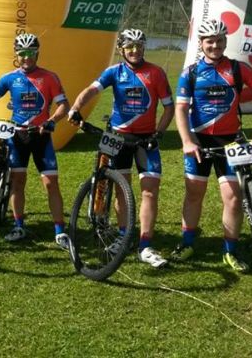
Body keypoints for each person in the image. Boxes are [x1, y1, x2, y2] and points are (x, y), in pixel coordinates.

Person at [172, 19, 252, 272]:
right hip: (199, 140)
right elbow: (181, 108)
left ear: (225, 42)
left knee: (232, 197)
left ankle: (230, 250)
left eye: (219, 41)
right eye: (210, 41)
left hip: (232, 140)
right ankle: (187, 242)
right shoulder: (191, 73)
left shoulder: (239, 69)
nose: (215, 46)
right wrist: (187, 141)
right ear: (201, 44)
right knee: (194, 193)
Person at [68, 28, 175, 268]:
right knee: (120, 190)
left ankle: (145, 245)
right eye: (129, 46)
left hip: (146, 139)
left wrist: (159, 132)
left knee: (149, 191)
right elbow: (91, 91)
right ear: (121, 49)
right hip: (118, 137)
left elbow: (169, 108)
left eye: (138, 45)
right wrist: (75, 108)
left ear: (144, 47)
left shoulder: (156, 73)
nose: (135, 50)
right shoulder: (113, 72)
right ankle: (124, 236)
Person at [0, 33, 71, 250]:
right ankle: (18, 225)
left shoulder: (49, 77)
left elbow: (63, 105)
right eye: (22, 53)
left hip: (40, 136)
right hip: (17, 136)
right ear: (16, 55)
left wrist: (51, 120)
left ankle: (60, 231)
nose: (27, 57)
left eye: (31, 53)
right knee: (17, 182)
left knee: (51, 184)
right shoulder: (9, 78)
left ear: (37, 53)